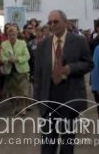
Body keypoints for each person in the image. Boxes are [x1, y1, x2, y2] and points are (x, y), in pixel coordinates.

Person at [34, 10, 93, 154]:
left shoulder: (79, 41)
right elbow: (38, 74)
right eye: (50, 22)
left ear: (65, 23)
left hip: (69, 96)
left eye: (56, 22)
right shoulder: (43, 45)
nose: (52, 25)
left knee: (67, 142)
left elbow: (89, 64)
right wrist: (37, 99)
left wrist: (71, 68)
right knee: (48, 142)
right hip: (49, 98)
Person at [0, 26, 30, 116]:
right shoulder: (4, 44)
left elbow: (27, 56)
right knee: (12, 92)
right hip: (10, 70)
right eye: (10, 34)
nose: (12, 36)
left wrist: (17, 59)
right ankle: (14, 107)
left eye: (13, 34)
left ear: (17, 34)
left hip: (22, 70)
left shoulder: (22, 43)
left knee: (23, 91)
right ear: (7, 35)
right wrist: (7, 60)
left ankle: (23, 108)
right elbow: (2, 57)